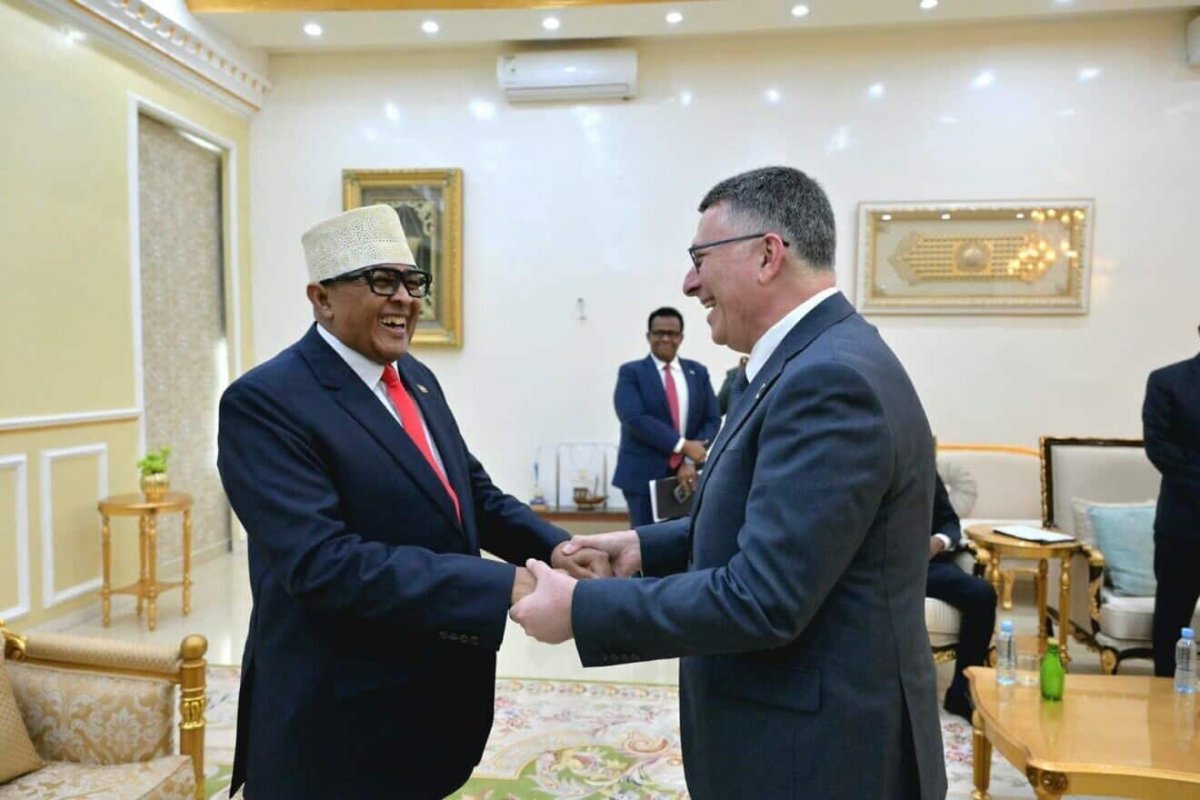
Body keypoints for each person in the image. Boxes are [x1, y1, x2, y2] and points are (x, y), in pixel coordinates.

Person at [512, 166, 947, 799]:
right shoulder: (802, 362)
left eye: (699, 259)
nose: (689, 283)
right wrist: (645, 547)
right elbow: (772, 522)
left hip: (818, 754)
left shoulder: (828, 381)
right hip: (796, 731)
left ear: (768, 253)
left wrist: (583, 610)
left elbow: (764, 597)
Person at [216, 205, 577, 799]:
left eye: (414, 282)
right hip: (337, 713)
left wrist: (558, 549)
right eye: (381, 281)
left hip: (429, 696)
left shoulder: (416, 378)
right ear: (322, 298)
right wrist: (501, 585)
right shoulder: (266, 402)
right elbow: (321, 563)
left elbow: (471, 494)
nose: (406, 299)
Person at [612, 307, 721, 527]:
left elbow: (712, 419)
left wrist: (689, 459)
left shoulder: (697, 372)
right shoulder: (631, 373)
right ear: (648, 336)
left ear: (681, 337)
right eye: (658, 333)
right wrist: (682, 445)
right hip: (642, 477)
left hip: (688, 477)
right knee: (643, 547)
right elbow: (634, 418)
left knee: (686, 543)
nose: (665, 338)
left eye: (672, 334)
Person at [1143, 325, 1200, 677]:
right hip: (1184, 523)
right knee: (1172, 619)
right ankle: (1165, 699)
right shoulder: (1168, 381)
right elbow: (1160, 447)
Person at [927, 473, 997, 720]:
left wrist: (937, 542)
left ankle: (961, 692)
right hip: (876, 566)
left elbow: (949, 523)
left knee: (981, 594)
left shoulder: (921, 465)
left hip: (925, 566)